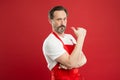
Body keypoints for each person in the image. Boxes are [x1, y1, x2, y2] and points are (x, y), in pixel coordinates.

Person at [42, 5, 87, 80]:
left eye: (64, 19)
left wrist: (70, 65)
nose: (63, 23)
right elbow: (70, 62)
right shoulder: (50, 41)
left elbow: (84, 60)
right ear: (50, 21)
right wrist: (81, 38)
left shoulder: (70, 37)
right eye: (59, 19)